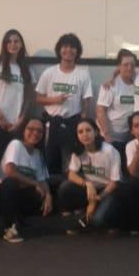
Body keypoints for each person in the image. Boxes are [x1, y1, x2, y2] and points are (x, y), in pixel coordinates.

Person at [35, 33, 95, 174]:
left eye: (72, 47)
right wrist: (55, 100)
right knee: (49, 162)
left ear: (77, 51)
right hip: (51, 125)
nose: (68, 50)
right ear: (59, 50)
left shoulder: (83, 74)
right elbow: (38, 98)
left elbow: (86, 100)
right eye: (65, 46)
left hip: (72, 124)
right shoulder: (49, 72)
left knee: (70, 164)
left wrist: (83, 121)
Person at [57, 119, 123, 232]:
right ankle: (80, 212)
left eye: (88, 130)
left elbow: (115, 182)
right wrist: (87, 184)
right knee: (65, 187)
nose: (84, 135)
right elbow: (71, 174)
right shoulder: (79, 150)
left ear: (96, 132)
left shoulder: (109, 151)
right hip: (91, 189)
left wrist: (97, 199)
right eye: (80, 132)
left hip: (108, 190)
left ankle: (104, 214)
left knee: (98, 221)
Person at [0, 29, 34, 167]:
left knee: (10, 164)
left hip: (15, 125)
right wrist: (0, 117)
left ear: (21, 45)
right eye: (9, 41)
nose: (13, 44)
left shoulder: (26, 69)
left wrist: (21, 120)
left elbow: (28, 98)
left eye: (16, 41)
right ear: (4, 45)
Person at [0, 118, 53, 244]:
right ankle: (9, 228)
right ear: (23, 130)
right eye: (31, 129)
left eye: (39, 131)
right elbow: (9, 171)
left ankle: (20, 219)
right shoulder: (16, 144)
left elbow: (42, 180)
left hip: (22, 194)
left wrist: (49, 195)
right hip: (3, 194)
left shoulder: (38, 154)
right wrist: (35, 184)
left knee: (46, 191)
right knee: (11, 183)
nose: (35, 133)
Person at [96, 49, 138, 155]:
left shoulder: (138, 82)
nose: (129, 68)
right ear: (119, 66)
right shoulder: (110, 85)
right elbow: (100, 111)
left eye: (132, 65)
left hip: (129, 138)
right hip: (110, 138)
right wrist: (107, 135)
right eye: (125, 65)